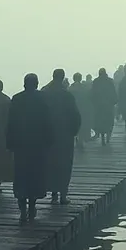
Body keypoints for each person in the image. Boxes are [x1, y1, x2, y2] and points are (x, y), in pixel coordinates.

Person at [5, 73, 54, 223]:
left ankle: (22, 209)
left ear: (24, 83)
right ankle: (32, 205)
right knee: (35, 176)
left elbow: (10, 123)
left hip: (21, 145)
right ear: (37, 83)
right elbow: (48, 121)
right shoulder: (42, 99)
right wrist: (49, 140)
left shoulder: (17, 99)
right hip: (37, 145)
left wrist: (9, 142)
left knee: (21, 176)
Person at [42, 69, 82, 204]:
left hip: (47, 135)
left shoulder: (44, 92)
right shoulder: (67, 95)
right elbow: (75, 116)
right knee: (64, 164)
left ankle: (53, 194)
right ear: (63, 77)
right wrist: (74, 131)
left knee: (50, 163)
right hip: (64, 135)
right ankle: (63, 195)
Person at [90, 68, 117, 145]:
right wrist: (115, 101)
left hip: (99, 106)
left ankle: (102, 138)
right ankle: (108, 137)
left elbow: (92, 93)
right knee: (109, 122)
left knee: (100, 122)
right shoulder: (110, 81)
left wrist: (93, 103)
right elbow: (113, 92)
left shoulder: (96, 81)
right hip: (108, 105)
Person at [68, 72, 90, 147]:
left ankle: (77, 138)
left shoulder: (70, 88)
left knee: (74, 124)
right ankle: (80, 139)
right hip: (82, 108)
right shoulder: (84, 88)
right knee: (82, 124)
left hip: (73, 109)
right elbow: (87, 98)